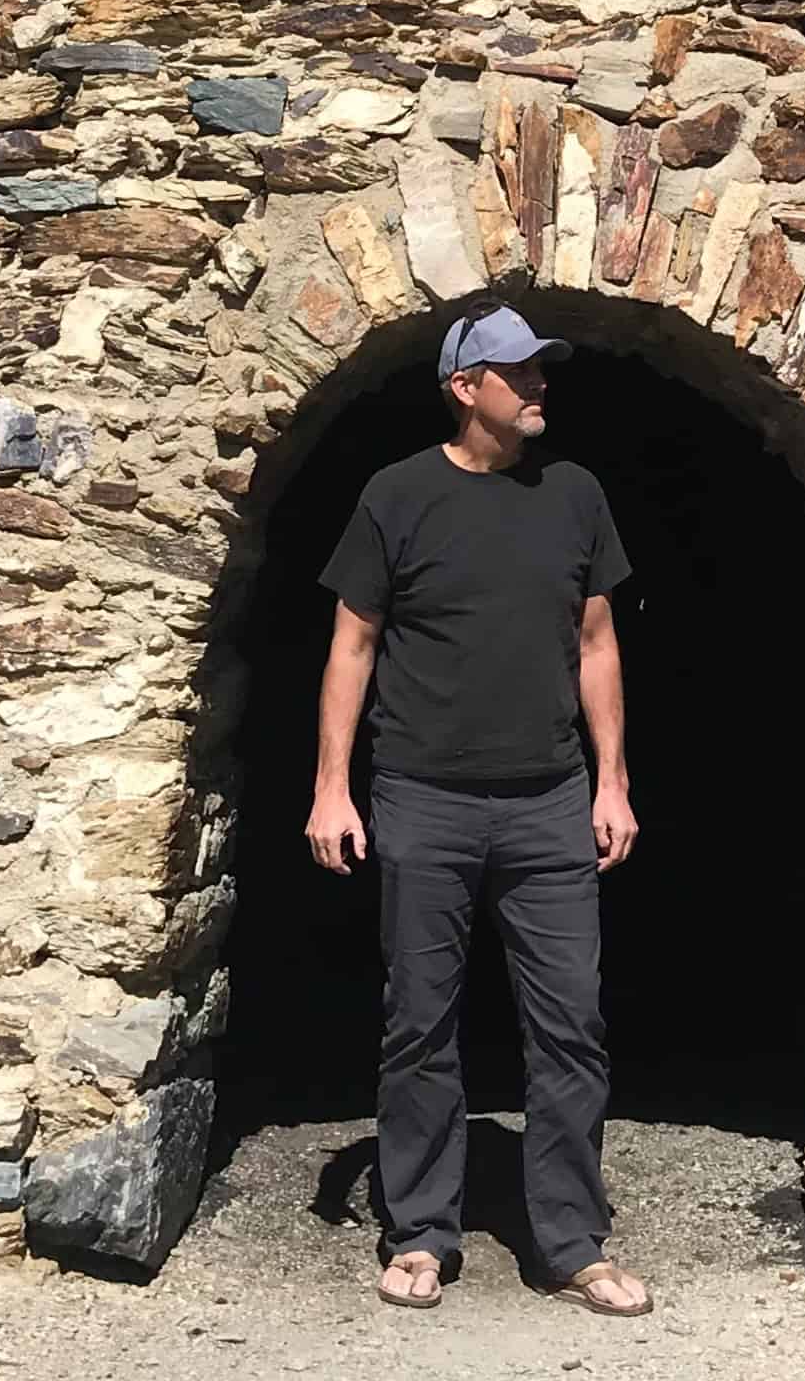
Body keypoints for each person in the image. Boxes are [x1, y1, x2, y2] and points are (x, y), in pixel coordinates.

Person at [307, 298, 653, 1318]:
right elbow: (350, 647)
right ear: (466, 387)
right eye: (521, 373)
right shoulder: (396, 494)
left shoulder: (575, 493)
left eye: (544, 371)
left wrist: (614, 777)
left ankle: (570, 1239)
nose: (540, 386)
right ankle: (420, 1231)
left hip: (548, 801)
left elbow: (597, 642)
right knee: (420, 1021)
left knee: (571, 1024)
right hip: (424, 796)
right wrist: (332, 785)